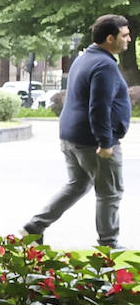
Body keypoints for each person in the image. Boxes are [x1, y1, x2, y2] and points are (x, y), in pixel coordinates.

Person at [25, 14, 131, 247]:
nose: (129, 39)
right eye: (125, 35)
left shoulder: (85, 58)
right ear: (110, 38)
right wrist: (105, 143)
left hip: (72, 136)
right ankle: (109, 243)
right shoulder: (104, 65)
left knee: (77, 185)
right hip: (94, 141)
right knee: (109, 192)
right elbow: (99, 107)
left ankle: (34, 227)